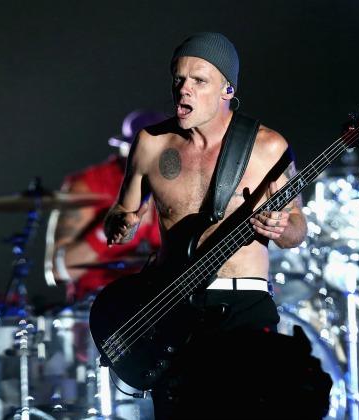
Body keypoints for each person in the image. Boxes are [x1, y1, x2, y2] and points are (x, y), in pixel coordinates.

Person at [103, 32, 330, 419]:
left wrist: (282, 227)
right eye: (179, 79)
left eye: (199, 80)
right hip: (172, 310)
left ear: (228, 89)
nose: (184, 89)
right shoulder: (151, 144)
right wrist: (120, 223)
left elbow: (297, 229)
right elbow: (122, 210)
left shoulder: (267, 147)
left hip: (242, 309)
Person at [50, 110, 166, 302]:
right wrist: (111, 228)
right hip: (97, 304)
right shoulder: (88, 185)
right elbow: (58, 271)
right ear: (125, 149)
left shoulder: (179, 184)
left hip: (156, 303)